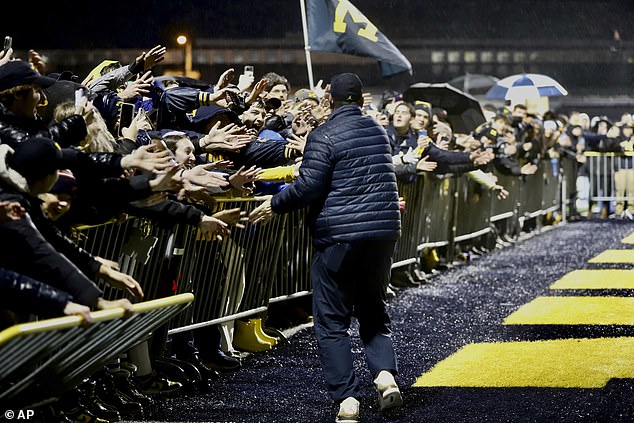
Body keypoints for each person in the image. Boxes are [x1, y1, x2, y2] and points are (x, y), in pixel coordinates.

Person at [250, 73, 403, 423]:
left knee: (331, 320)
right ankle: (384, 376)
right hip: (381, 234)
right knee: (373, 309)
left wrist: (275, 205)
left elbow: (308, 187)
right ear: (361, 100)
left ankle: (347, 399)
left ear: (330, 100)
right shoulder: (378, 132)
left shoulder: (324, 134)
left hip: (338, 237)